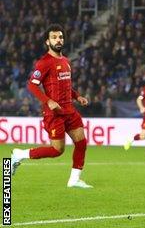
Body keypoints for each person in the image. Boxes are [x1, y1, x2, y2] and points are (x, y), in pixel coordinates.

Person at [11, 24, 92, 188]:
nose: (58, 40)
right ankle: (20, 154)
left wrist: (77, 96)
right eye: (54, 37)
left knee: (81, 143)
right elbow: (32, 85)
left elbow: (66, 85)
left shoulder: (66, 61)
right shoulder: (44, 63)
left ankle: (74, 180)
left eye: (60, 37)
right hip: (53, 113)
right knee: (57, 150)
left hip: (69, 109)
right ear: (47, 42)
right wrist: (48, 101)